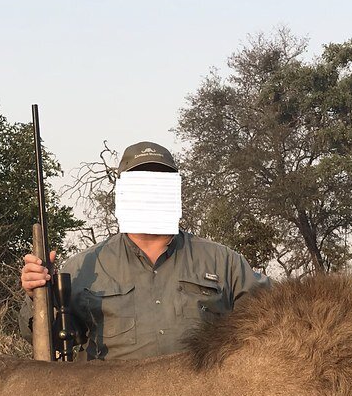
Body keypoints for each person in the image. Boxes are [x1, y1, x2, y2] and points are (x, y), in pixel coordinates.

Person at [19, 141, 269, 360]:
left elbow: (277, 317)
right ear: (123, 194)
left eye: (159, 184)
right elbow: (49, 340)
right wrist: (39, 295)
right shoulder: (81, 268)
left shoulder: (223, 262)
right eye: (142, 184)